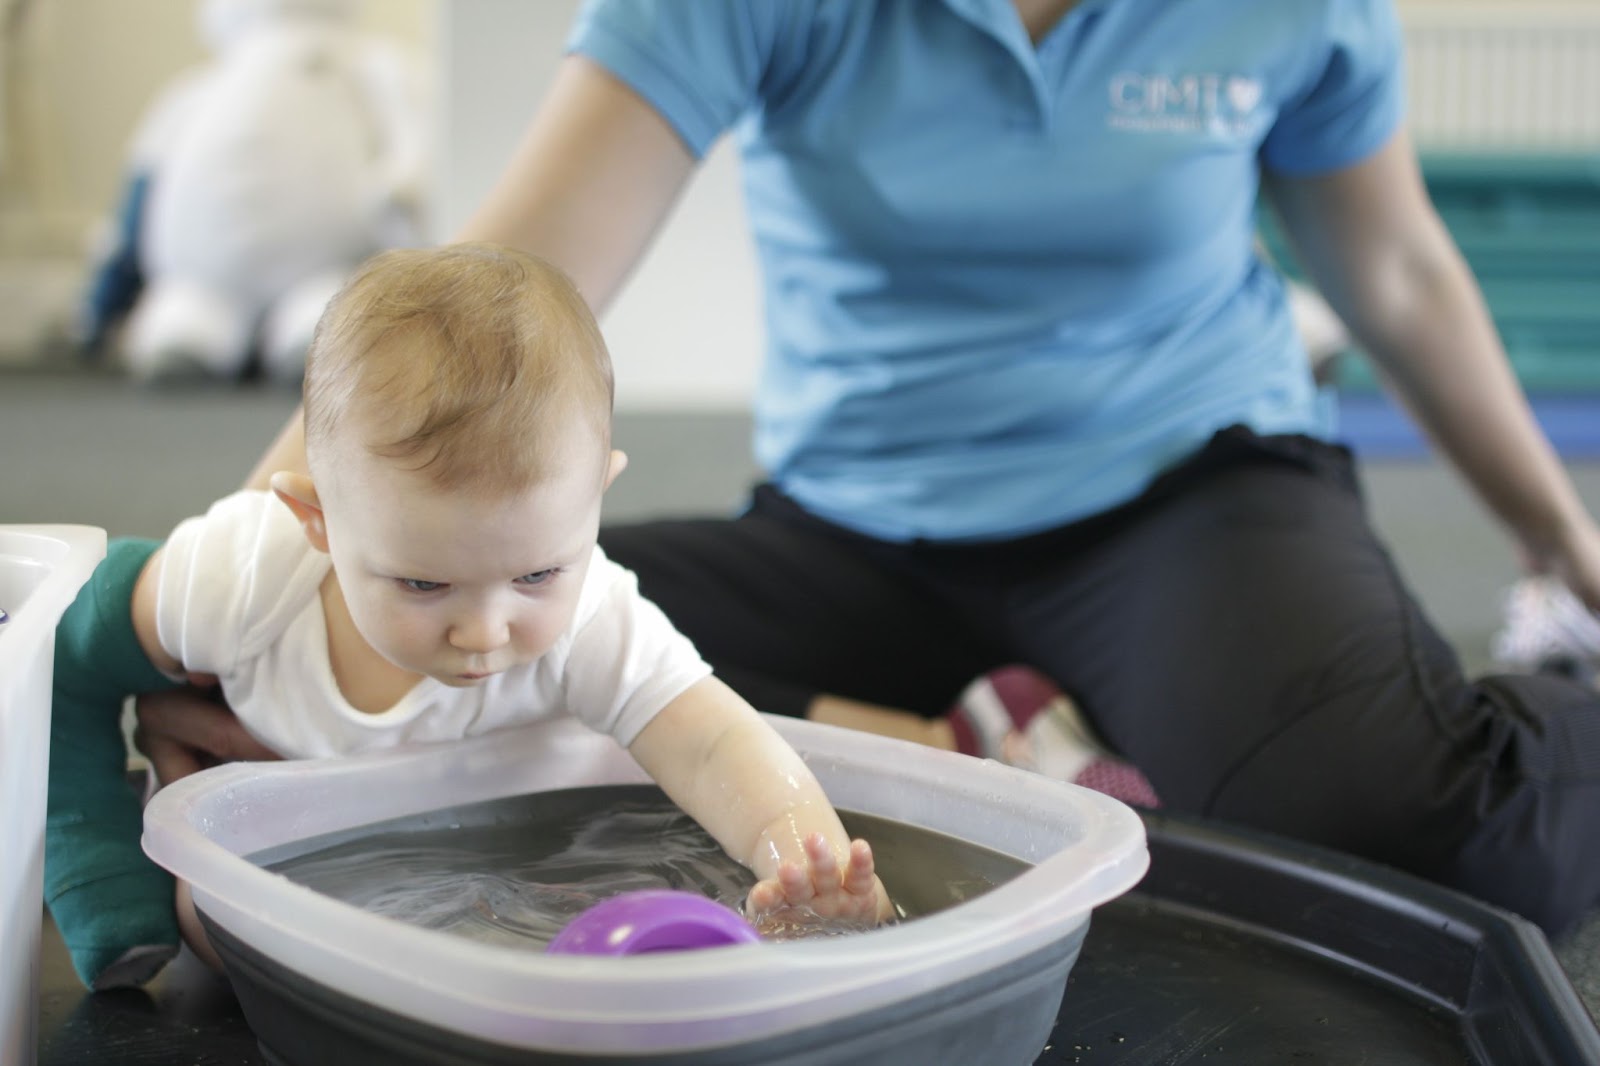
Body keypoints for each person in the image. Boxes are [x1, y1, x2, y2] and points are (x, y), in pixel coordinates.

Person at [162, 0, 1600, 939]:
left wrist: (1568, 544)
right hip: (851, 516)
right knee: (469, 648)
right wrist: (272, 598)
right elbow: (497, 290)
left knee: (1442, 846)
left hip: (1189, 490)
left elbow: (1401, 274)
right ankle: (995, 722)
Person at [46, 243, 890, 991]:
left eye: (535, 573)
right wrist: (96, 859)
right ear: (318, 524)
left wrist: (803, 862)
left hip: (510, 866)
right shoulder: (245, 577)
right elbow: (68, 650)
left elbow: (715, 746)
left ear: (597, 491)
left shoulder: (595, 612)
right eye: (421, 584)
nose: (485, 632)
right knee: (212, 921)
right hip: (297, 866)